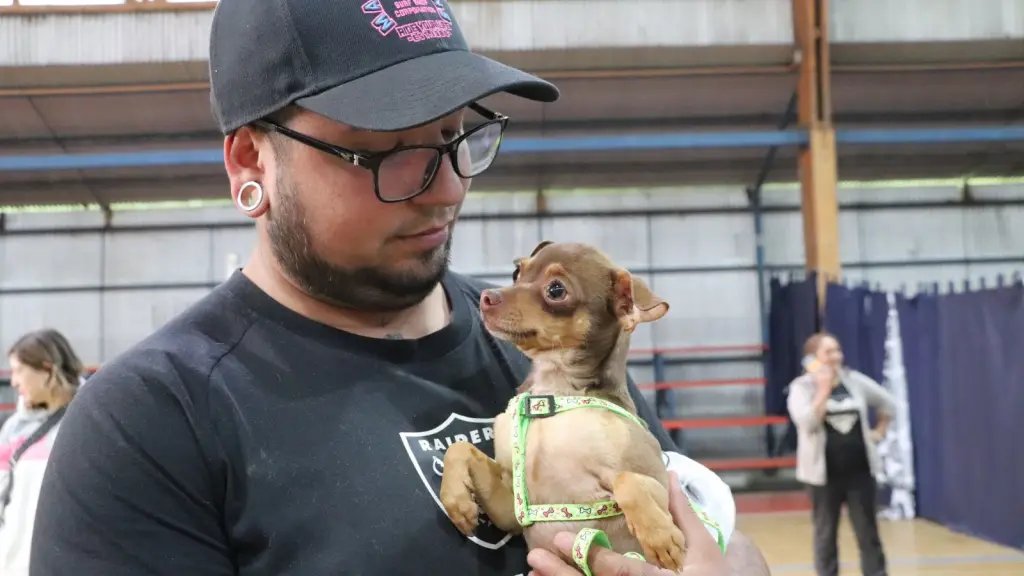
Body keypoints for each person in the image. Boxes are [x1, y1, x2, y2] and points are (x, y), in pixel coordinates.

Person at [30, 1, 771, 575]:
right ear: (250, 161)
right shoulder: (152, 423)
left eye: (456, 135)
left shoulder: (550, 346)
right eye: (383, 152)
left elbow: (715, 537)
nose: (446, 188)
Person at [787, 332, 897, 576]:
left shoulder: (854, 381)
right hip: (823, 477)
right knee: (825, 535)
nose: (836, 356)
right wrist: (823, 390)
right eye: (829, 352)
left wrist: (877, 433)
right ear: (813, 358)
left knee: (868, 534)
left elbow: (888, 403)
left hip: (860, 473)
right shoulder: (801, 388)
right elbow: (806, 423)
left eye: (837, 350)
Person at [0, 329, 85, 576]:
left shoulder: (90, 420)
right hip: (11, 564)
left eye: (18, 370)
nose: (13, 381)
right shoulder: (14, 428)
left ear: (47, 369)